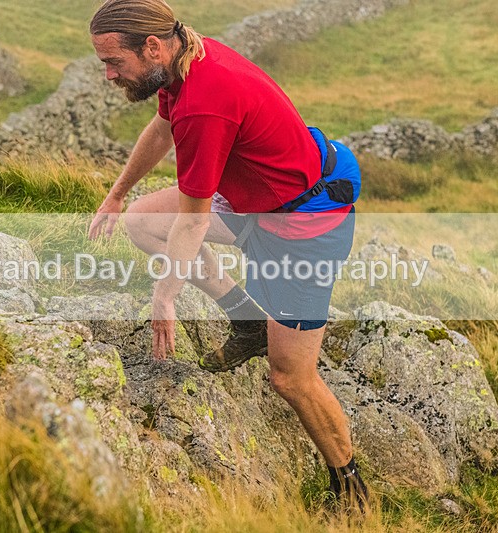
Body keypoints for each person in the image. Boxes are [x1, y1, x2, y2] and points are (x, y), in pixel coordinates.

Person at [87, 0, 368, 512]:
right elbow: (161, 130)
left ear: (151, 47)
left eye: (114, 62)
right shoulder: (183, 61)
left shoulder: (204, 100)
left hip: (302, 229)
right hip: (253, 203)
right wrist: (117, 193)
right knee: (143, 222)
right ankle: (248, 321)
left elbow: (193, 221)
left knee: (291, 377)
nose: (108, 74)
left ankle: (351, 489)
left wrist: (165, 295)